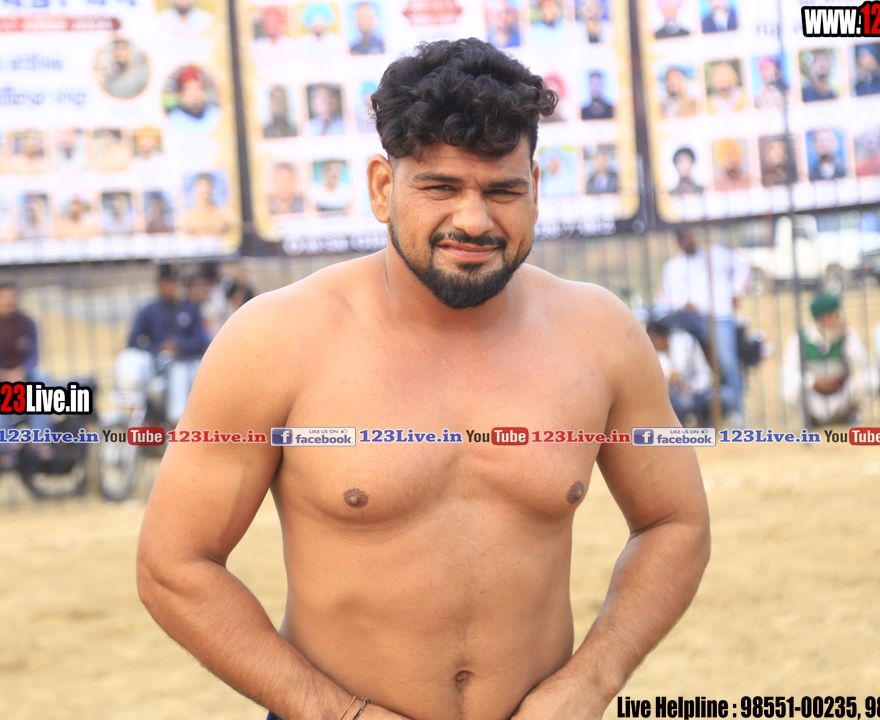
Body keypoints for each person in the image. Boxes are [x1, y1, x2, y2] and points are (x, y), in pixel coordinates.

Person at [137, 37, 709, 720]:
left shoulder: (599, 333)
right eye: (440, 188)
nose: (473, 220)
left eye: (502, 190)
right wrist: (336, 714)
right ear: (384, 188)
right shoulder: (277, 340)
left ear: (535, 188)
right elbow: (174, 564)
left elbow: (675, 522)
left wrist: (588, 684)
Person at [660, 227, 752, 424]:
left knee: (726, 363)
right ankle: (689, 411)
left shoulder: (716, 253)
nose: (688, 240)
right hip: (688, 320)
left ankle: (736, 410)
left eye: (690, 235)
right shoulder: (672, 265)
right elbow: (666, 297)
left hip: (719, 316)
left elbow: (745, 265)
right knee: (687, 364)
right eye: (683, 237)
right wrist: (684, 303)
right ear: (678, 241)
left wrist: (736, 291)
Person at [0, 283, 47, 465]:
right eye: (4, 299)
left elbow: (33, 357)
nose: (10, 302)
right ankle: (7, 448)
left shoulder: (27, 322)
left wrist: (21, 372)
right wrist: (3, 375)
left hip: (21, 374)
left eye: (13, 298)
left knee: (43, 380)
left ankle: (40, 442)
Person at [128, 265, 210, 426]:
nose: (171, 287)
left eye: (174, 283)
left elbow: (201, 341)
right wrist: (157, 348)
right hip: (157, 363)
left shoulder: (190, 309)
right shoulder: (149, 311)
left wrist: (179, 345)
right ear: (160, 285)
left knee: (181, 373)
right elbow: (133, 340)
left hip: (187, 362)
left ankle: (177, 425)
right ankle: (137, 420)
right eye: (168, 283)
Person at [781, 293, 875, 427]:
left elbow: (864, 364)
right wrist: (813, 382)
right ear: (818, 318)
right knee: (788, 389)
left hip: (841, 394)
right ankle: (810, 419)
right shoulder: (799, 339)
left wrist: (847, 339)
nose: (833, 319)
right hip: (814, 396)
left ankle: (849, 415)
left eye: (835, 314)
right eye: (829, 315)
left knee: (872, 378)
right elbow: (788, 371)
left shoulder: (847, 335)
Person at [647, 318, 715, 426]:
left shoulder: (688, 343)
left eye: (653, 339)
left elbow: (706, 375)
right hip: (674, 400)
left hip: (697, 392)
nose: (651, 343)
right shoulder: (651, 354)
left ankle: (707, 425)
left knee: (723, 398)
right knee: (683, 403)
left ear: (664, 337)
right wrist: (668, 382)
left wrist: (690, 387)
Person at [168, 68, 220, 135]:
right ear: (180, 94)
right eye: (189, 90)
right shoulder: (172, 121)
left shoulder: (216, 114)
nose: (196, 95)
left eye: (199, 88)